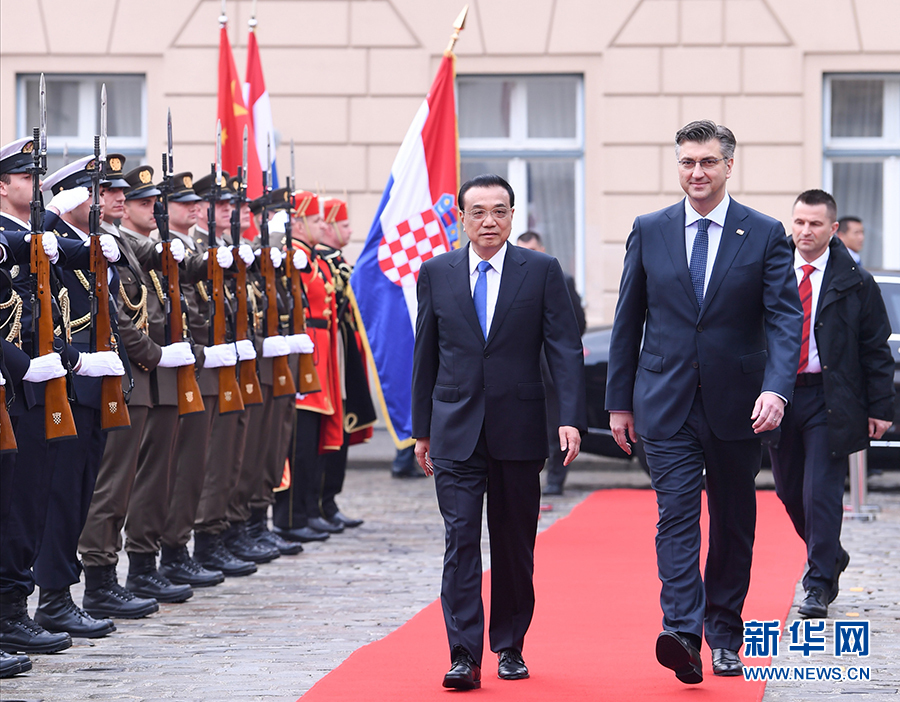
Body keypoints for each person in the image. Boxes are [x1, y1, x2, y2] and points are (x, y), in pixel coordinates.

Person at [605, 120, 803, 683]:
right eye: (688, 162)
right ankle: (683, 634)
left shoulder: (764, 233)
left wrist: (776, 389)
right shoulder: (650, 229)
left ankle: (725, 634)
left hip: (740, 406)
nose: (697, 172)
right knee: (676, 517)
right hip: (664, 402)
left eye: (708, 162)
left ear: (728, 166)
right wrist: (619, 402)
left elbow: (785, 319)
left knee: (734, 522)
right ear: (679, 166)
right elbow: (628, 319)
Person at [412, 174, 586, 690]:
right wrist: (421, 429)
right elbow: (426, 353)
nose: (489, 221)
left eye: (500, 211)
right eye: (479, 212)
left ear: (513, 215)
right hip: (454, 428)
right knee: (461, 541)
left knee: (513, 545)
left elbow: (564, 348)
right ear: (461, 218)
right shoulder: (437, 272)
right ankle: (462, 654)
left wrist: (570, 416)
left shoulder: (542, 271)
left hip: (519, 428)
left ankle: (510, 645)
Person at [771, 190, 894, 619]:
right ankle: (831, 553)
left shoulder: (856, 281)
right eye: (799, 222)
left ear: (833, 229)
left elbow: (875, 349)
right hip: (780, 396)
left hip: (830, 398)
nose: (805, 231)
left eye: (815, 224)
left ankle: (818, 583)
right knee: (789, 492)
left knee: (819, 492)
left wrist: (880, 407)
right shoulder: (770, 270)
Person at [516, 230, 586, 495]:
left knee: (558, 424)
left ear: (542, 250)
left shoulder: (561, 279)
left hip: (552, 366)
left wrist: (559, 351)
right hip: (523, 366)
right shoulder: (512, 279)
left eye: (533, 250)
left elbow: (576, 323)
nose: (529, 255)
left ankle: (556, 479)